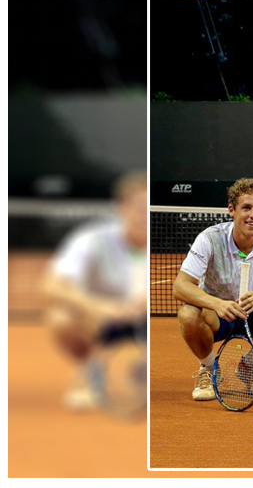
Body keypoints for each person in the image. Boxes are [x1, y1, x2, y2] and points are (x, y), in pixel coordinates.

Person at [174, 178, 253, 401]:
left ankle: (250, 365)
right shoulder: (210, 239)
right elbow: (180, 286)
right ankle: (209, 368)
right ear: (232, 210)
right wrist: (216, 303)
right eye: (246, 208)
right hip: (218, 315)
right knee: (188, 313)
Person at [43, 172, 148, 410]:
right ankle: (89, 368)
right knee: (61, 318)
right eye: (138, 207)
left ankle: (137, 368)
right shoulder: (92, 239)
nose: (143, 216)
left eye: (147, 209)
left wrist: (143, 304)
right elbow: (50, 285)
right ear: (122, 207)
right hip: (103, 321)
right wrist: (97, 305)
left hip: (146, 324)